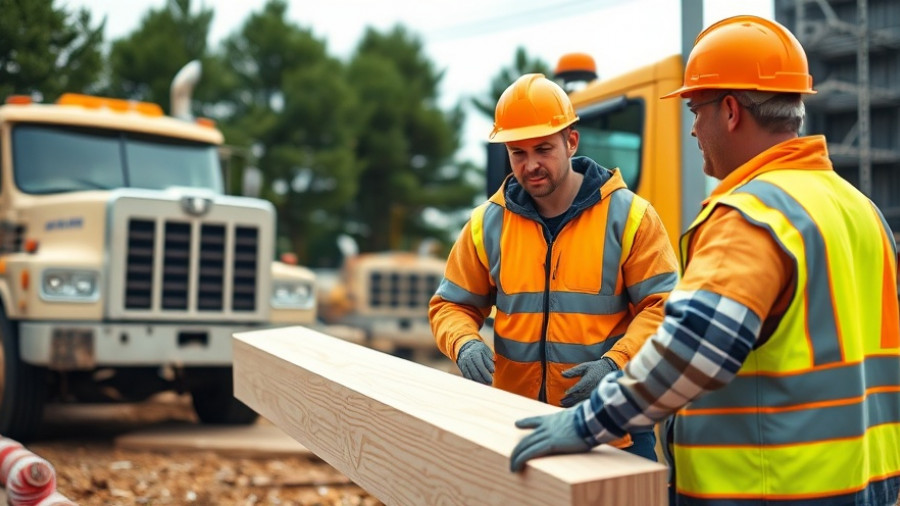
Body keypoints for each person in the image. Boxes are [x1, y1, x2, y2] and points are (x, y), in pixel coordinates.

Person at [508, 15, 900, 506]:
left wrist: (589, 422)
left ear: (731, 110)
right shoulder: (861, 210)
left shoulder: (753, 215)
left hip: (769, 489)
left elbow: (691, 350)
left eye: (696, 110)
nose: (693, 129)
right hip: (866, 485)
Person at [428, 73, 679, 461]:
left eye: (543, 149)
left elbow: (664, 308)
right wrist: (463, 342)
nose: (531, 165)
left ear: (571, 141)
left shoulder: (631, 217)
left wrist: (616, 363)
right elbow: (450, 305)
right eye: (518, 153)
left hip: (614, 428)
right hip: (518, 425)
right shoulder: (486, 224)